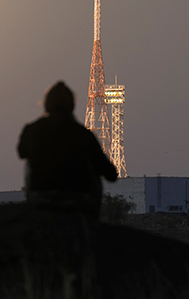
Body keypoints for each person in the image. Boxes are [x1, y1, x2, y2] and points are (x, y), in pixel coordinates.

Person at [17, 81, 117, 219]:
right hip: (78, 200)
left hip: (40, 198)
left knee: (29, 164)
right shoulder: (83, 135)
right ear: (72, 105)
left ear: (46, 104)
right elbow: (110, 173)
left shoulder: (32, 130)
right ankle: (90, 224)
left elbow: (22, 153)